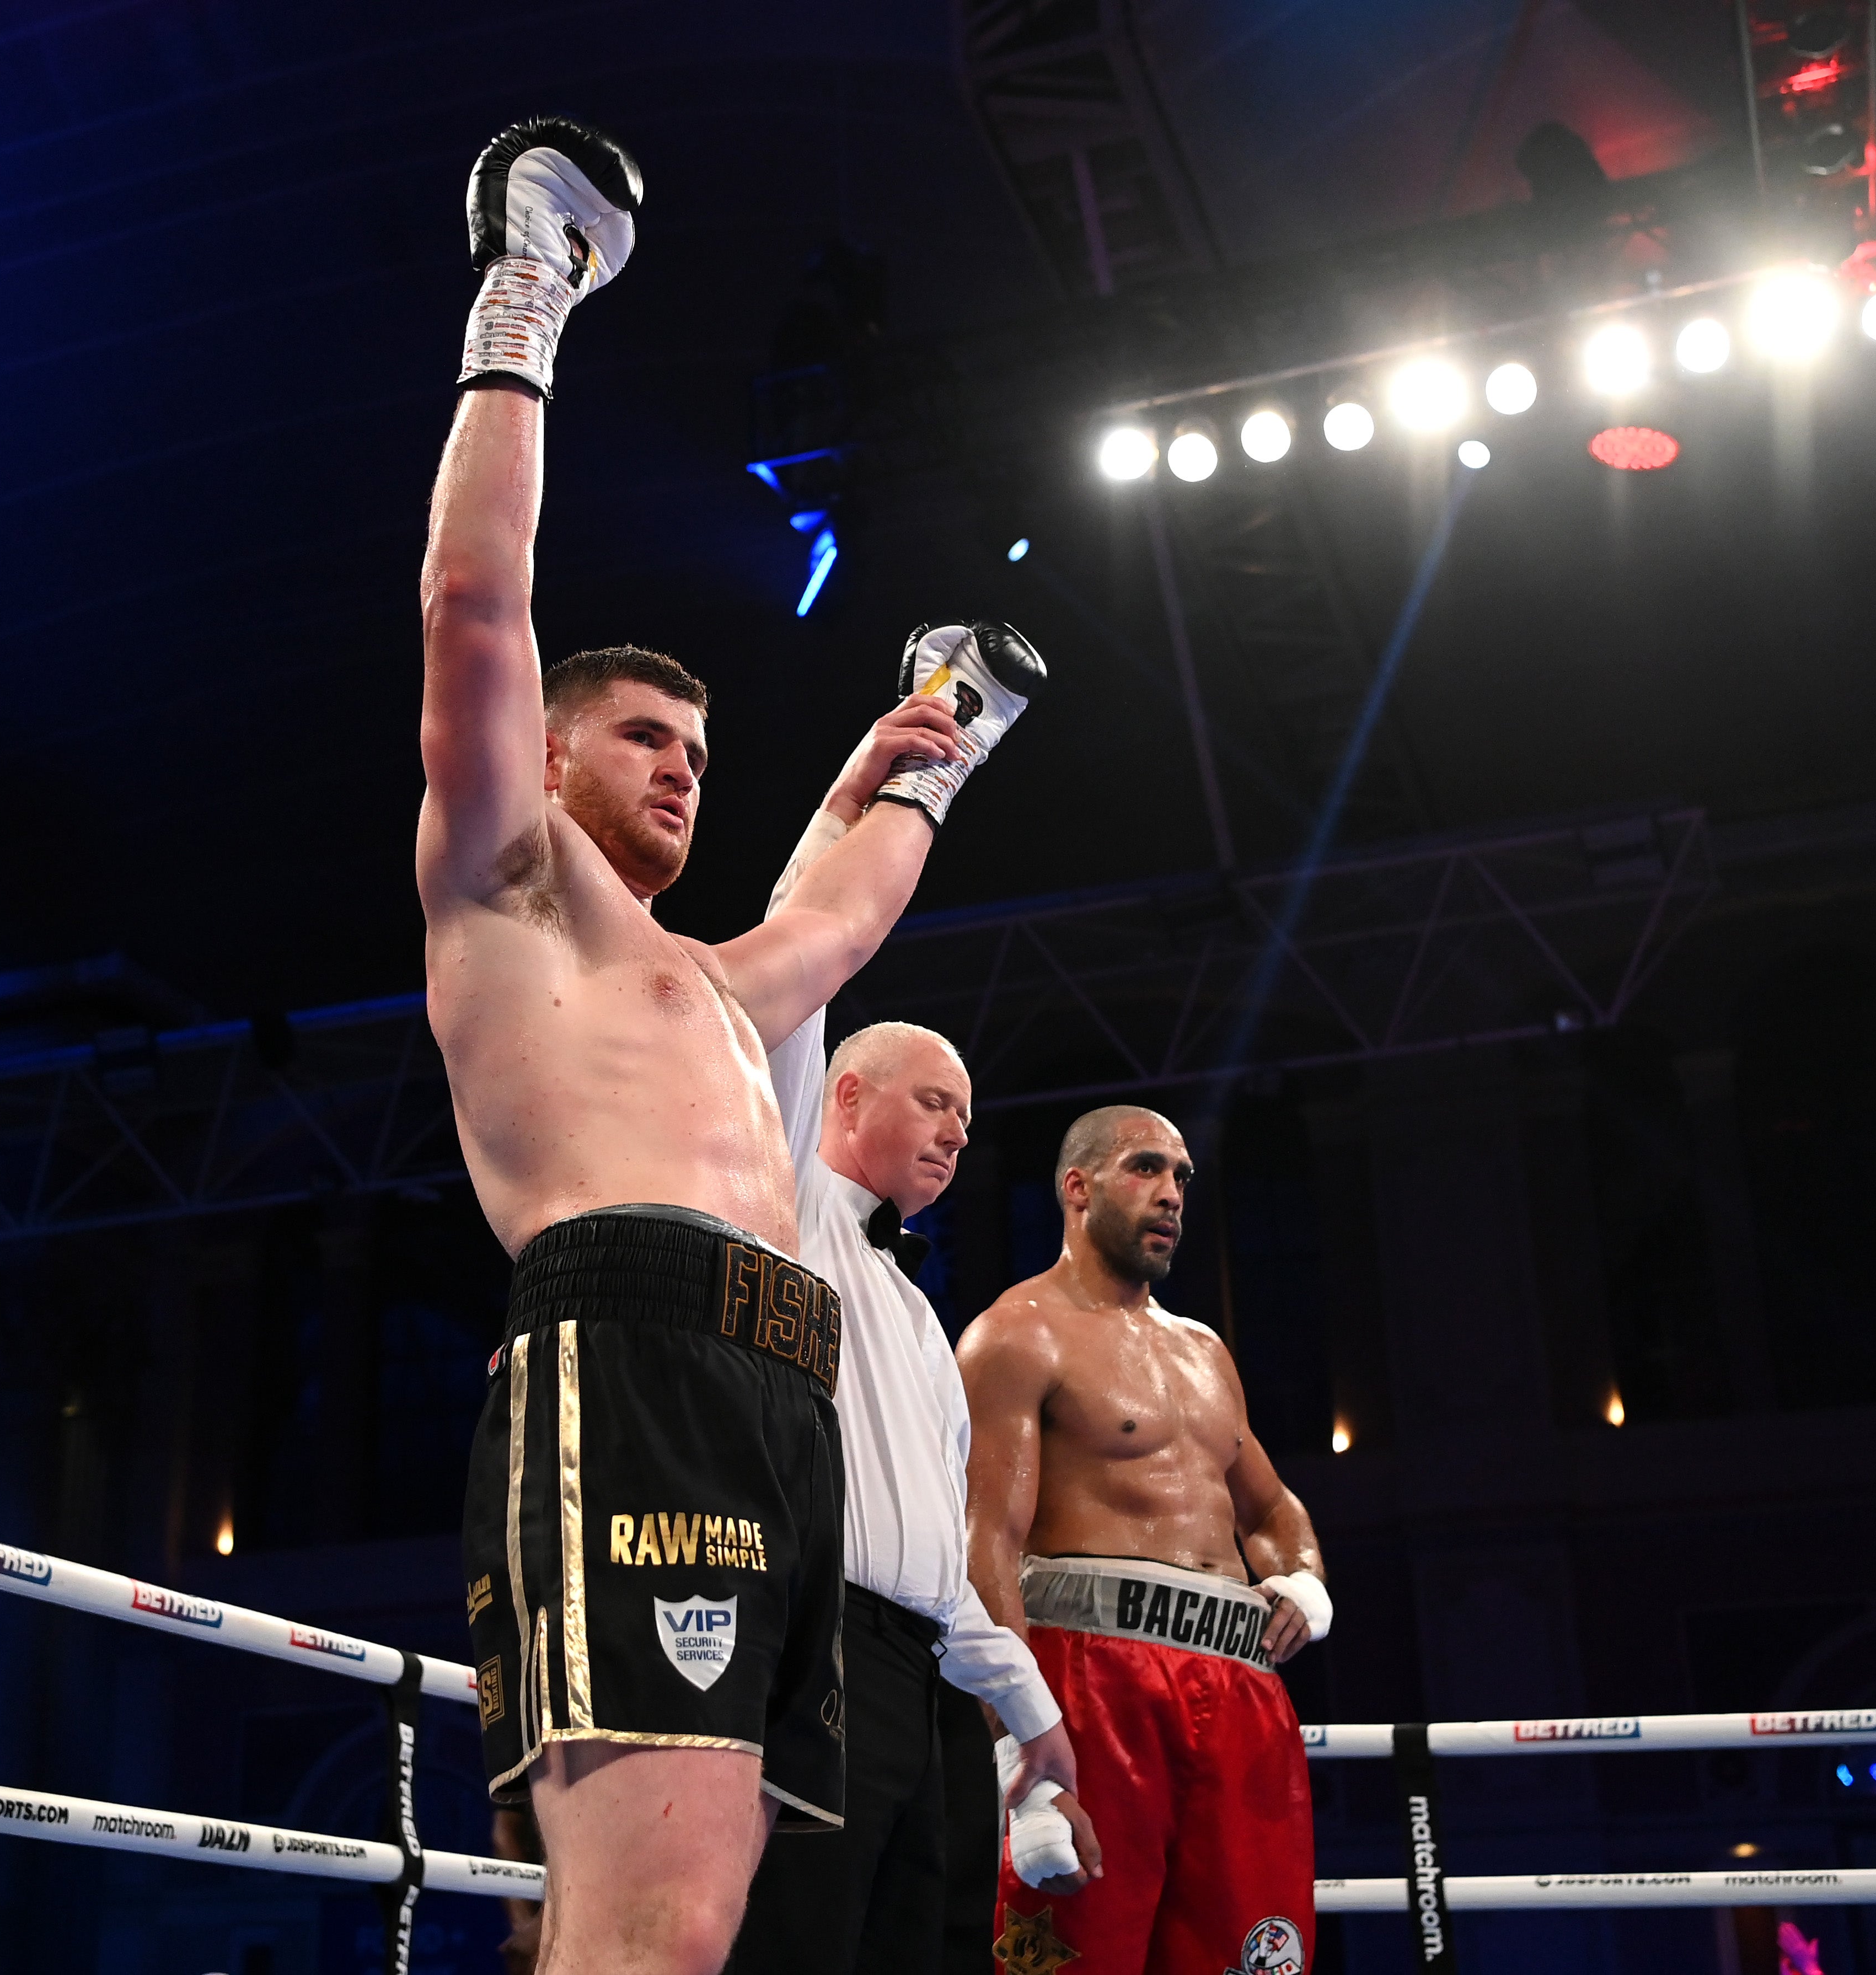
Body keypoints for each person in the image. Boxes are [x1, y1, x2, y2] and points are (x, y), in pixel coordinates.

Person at [420, 120, 1041, 1975]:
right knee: (657, 1926)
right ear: (542, 757)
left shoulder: (712, 984)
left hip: (781, 1400)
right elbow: (473, 606)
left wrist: (921, 750)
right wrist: (527, 298)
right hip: (633, 1358)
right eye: (639, 741)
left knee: (735, 1928)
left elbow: (841, 918)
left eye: (698, 751)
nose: (680, 767)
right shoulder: (504, 891)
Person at [721, 997, 1100, 1975]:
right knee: (800, 1942)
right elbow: (790, 1008)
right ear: (845, 1098)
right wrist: (854, 839)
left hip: (917, 1680)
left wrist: (1033, 1710)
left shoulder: (922, 1321)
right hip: (816, 1648)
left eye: (966, 1122)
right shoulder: (786, 1204)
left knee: (914, 1950)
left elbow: (937, 1562)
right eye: (935, 1103)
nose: (956, 1135)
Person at [957, 1106, 1331, 1975]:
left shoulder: (1205, 1353)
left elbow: (1274, 1512)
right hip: (1094, 1682)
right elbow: (987, 1554)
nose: (1171, 1195)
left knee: (1252, 1958)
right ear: (1077, 1187)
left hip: (1240, 1687)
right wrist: (1026, 1755)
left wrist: (1304, 1584)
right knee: (1072, 1959)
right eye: (1146, 1169)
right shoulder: (1016, 1335)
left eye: (1182, 1178)